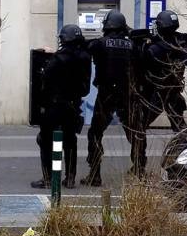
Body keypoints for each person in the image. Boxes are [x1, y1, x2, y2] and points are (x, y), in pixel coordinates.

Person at [82, 10, 145, 186]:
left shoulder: (100, 44)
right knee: (136, 134)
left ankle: (95, 175)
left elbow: (83, 49)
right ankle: (140, 171)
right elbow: (142, 67)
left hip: (106, 95)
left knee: (95, 133)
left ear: (107, 26)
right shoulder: (132, 45)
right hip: (128, 95)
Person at [32, 24, 92, 189]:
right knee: (70, 142)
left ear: (64, 39)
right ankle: (70, 178)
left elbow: (44, 81)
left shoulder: (57, 59)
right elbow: (85, 88)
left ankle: (48, 178)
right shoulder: (86, 57)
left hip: (55, 106)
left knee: (44, 140)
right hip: (73, 106)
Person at [142, 10, 187, 132]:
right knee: (179, 125)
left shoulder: (154, 46)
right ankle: (182, 146)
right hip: (174, 90)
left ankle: (138, 148)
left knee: (141, 124)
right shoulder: (182, 40)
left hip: (158, 91)